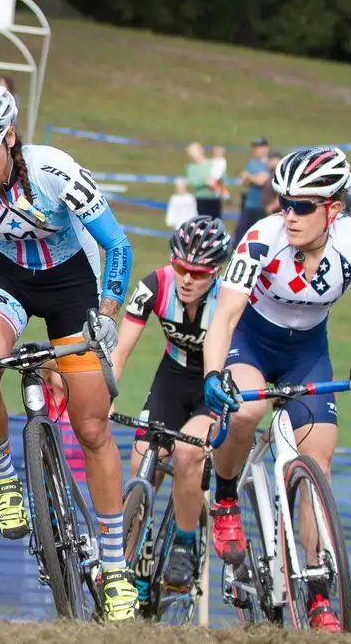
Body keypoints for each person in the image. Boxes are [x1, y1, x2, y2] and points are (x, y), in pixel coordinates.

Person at [0, 79, 138, 621]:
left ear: (11, 136)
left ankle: (114, 569)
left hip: (73, 284)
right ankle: (5, 480)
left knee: (92, 428)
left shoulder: (53, 169)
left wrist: (108, 314)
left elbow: (117, 244)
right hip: (6, 279)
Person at [201, 146, 351, 631]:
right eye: (285, 201)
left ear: (334, 208)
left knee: (317, 462)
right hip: (252, 340)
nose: (290, 214)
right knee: (244, 414)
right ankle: (225, 497)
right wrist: (213, 374)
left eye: (303, 206)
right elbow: (224, 316)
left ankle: (319, 592)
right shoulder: (262, 239)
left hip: (307, 350)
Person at [110, 215, 231, 598]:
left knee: (186, 456)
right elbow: (120, 351)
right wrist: (104, 392)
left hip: (211, 387)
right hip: (172, 378)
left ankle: (184, 541)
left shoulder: (228, 299)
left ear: (215, 272)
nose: (187, 278)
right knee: (142, 457)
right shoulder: (154, 286)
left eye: (197, 272)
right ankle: (127, 564)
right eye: (180, 267)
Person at [231, 138, 272, 247]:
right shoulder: (252, 163)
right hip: (250, 204)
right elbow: (244, 182)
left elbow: (262, 181)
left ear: (266, 148)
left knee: (262, 232)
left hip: (262, 205)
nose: (257, 150)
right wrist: (251, 178)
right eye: (256, 148)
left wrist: (249, 176)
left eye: (259, 147)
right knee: (241, 230)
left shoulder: (270, 163)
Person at [184, 143, 221, 219]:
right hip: (201, 199)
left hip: (215, 198)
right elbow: (194, 182)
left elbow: (221, 176)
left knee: (216, 223)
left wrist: (216, 180)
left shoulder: (213, 163)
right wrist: (206, 181)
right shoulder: (191, 167)